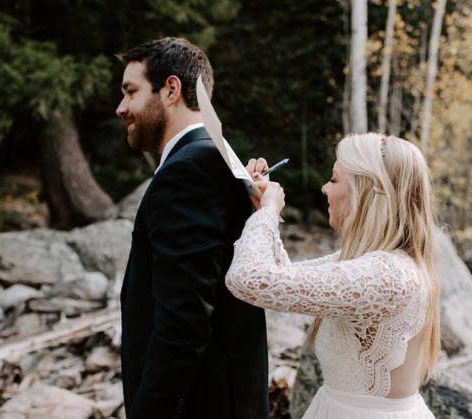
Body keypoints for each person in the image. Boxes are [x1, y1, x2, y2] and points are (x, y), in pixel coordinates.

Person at [226, 133, 442, 418]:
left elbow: (247, 280)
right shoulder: (369, 264)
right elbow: (284, 277)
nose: (325, 189)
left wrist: (267, 213)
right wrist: (260, 208)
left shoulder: (387, 275)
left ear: (366, 190)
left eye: (335, 179)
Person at [115, 37, 269, 418]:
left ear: (171, 89)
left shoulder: (187, 172)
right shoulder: (218, 158)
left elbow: (182, 325)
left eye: (131, 92)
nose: (121, 108)